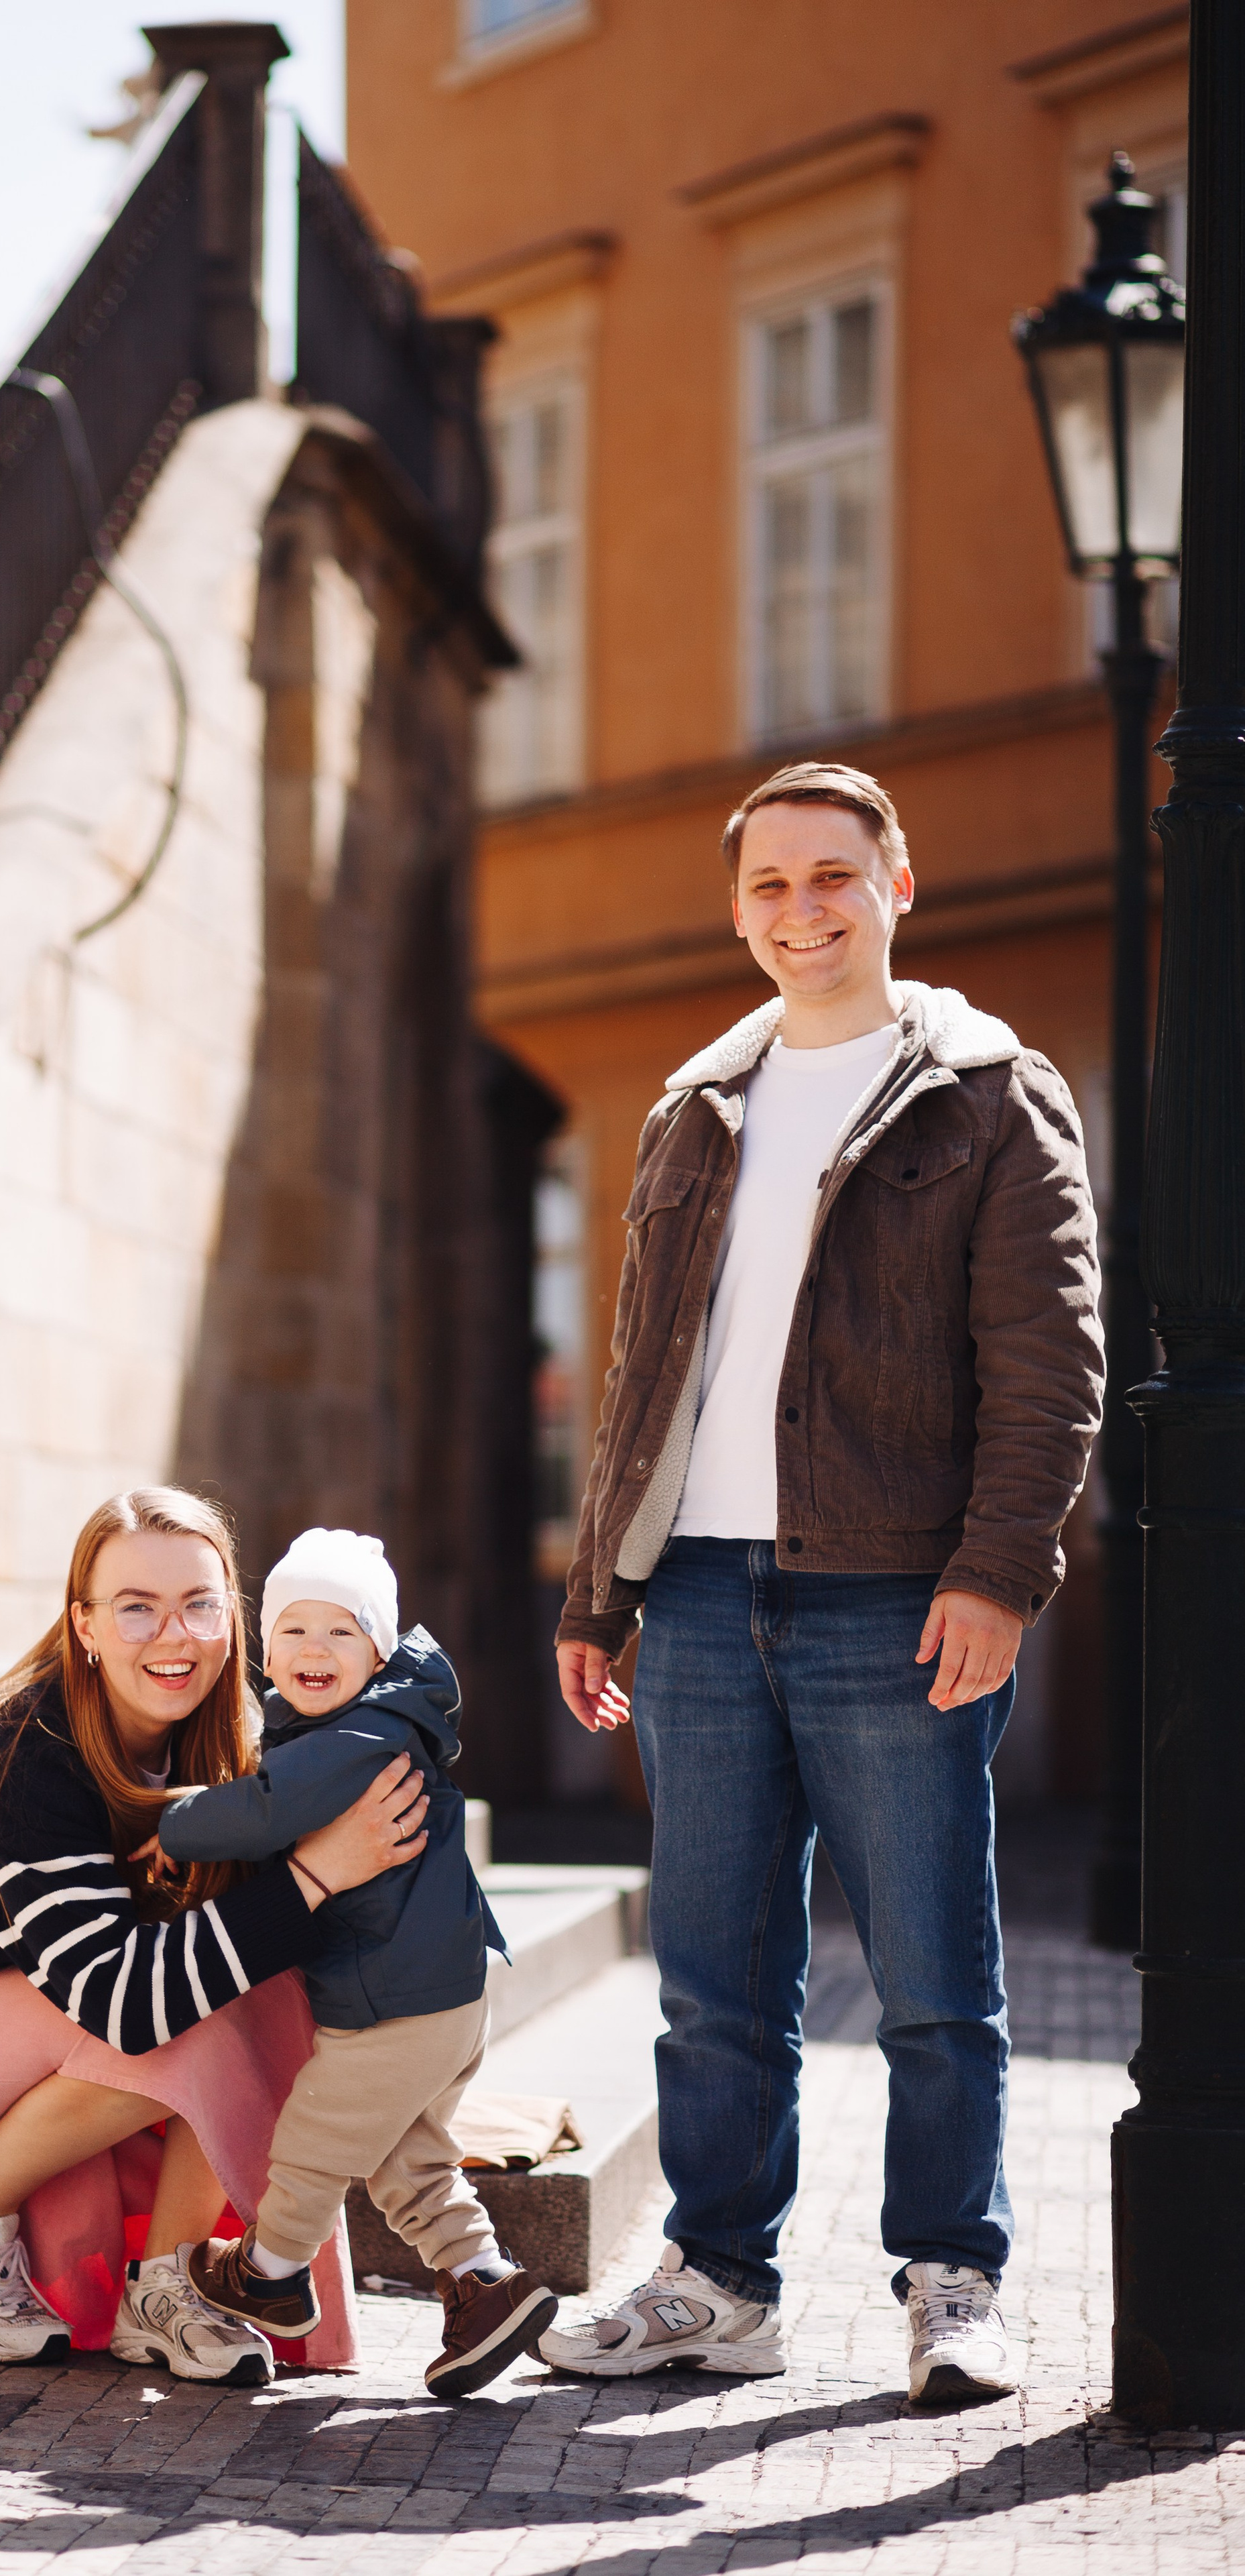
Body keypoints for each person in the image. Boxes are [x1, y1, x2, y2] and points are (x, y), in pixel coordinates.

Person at [541, 763, 1103, 2405]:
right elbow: (640, 1374)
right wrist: (598, 1592)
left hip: (891, 1594)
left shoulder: (986, 1092)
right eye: (771, 884)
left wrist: (997, 1570)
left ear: (895, 885)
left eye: (832, 876)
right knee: (712, 1982)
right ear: (737, 912)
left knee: (932, 1976)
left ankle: (951, 2278)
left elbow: (1048, 1360)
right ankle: (717, 2281)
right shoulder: (691, 1107)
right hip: (696, 1596)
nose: (803, 909)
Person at [0, 1486, 429, 2382]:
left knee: (263, 1978)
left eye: (199, 1604)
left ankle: (168, 2288)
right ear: (84, 1625)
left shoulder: (233, 1742)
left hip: (40, 2018)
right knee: (212, 1982)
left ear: (233, 1617)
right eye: (137, 1608)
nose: (174, 1636)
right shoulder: (16, 1752)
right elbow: (125, 2004)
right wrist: (319, 1872)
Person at [143, 1528, 558, 2398]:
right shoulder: (355, 1726)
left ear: (379, 1653)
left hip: (397, 2002)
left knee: (317, 2133)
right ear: (267, 1653)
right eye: (293, 1630)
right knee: (408, 2161)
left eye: (342, 1631)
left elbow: (265, 1810)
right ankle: (484, 2283)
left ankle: (272, 2270)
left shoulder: (359, 1736)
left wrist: (169, 1822)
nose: (314, 1649)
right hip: (437, 1995)